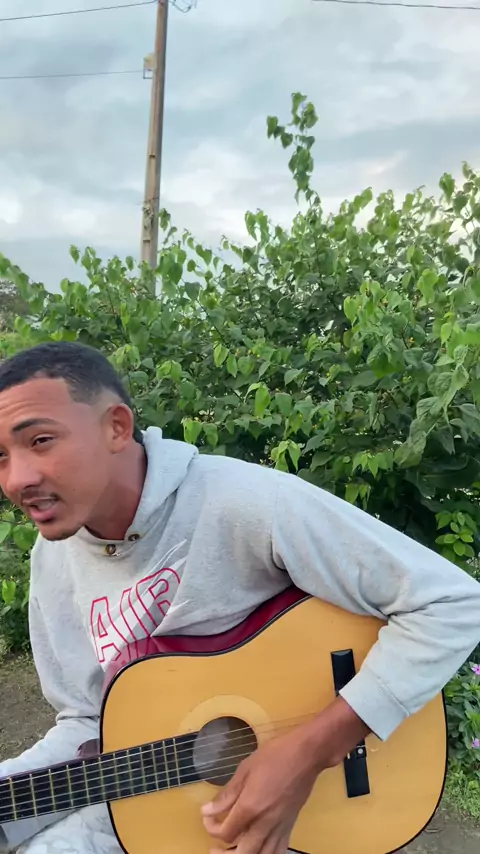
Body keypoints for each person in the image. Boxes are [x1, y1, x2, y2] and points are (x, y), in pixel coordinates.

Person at [0, 340, 478, 854]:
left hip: (321, 801)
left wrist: (307, 754)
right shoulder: (52, 561)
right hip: (164, 798)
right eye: (0, 457)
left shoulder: (245, 502)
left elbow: (453, 604)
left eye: (41, 441)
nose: (17, 479)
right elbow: (86, 721)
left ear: (116, 427)